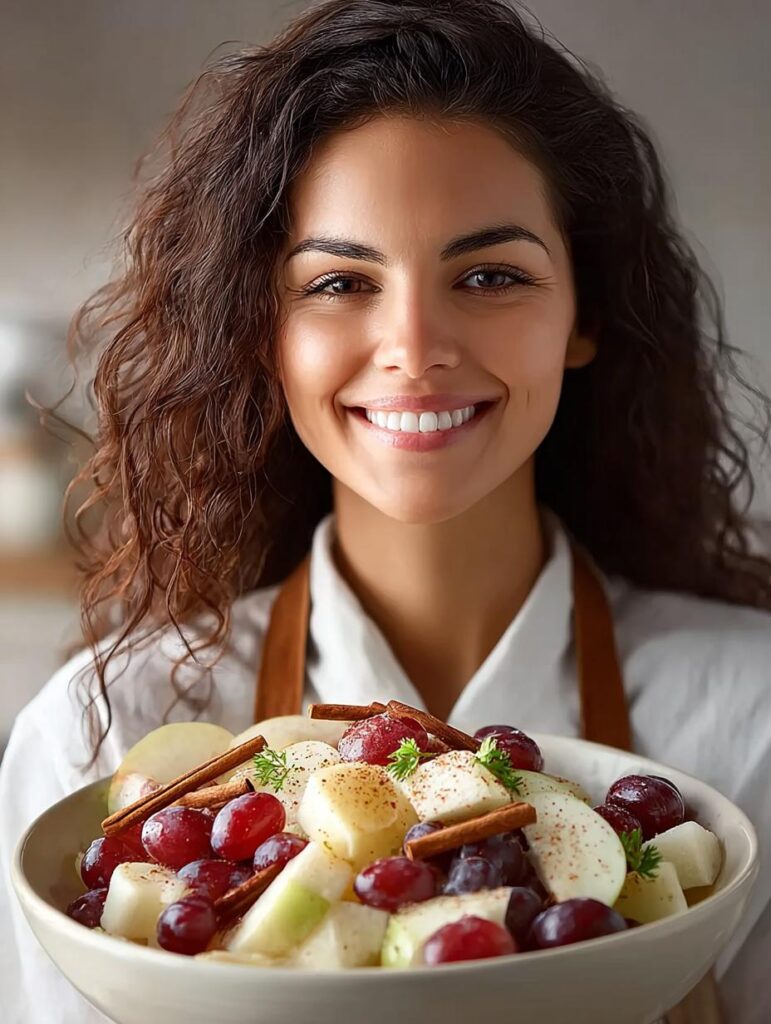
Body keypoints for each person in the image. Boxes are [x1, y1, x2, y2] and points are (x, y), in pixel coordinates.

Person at [1, 0, 770, 1020]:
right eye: (340, 281)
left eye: (490, 274)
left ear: (584, 313)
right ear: (260, 328)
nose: (414, 344)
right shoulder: (99, 736)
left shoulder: (753, 725)